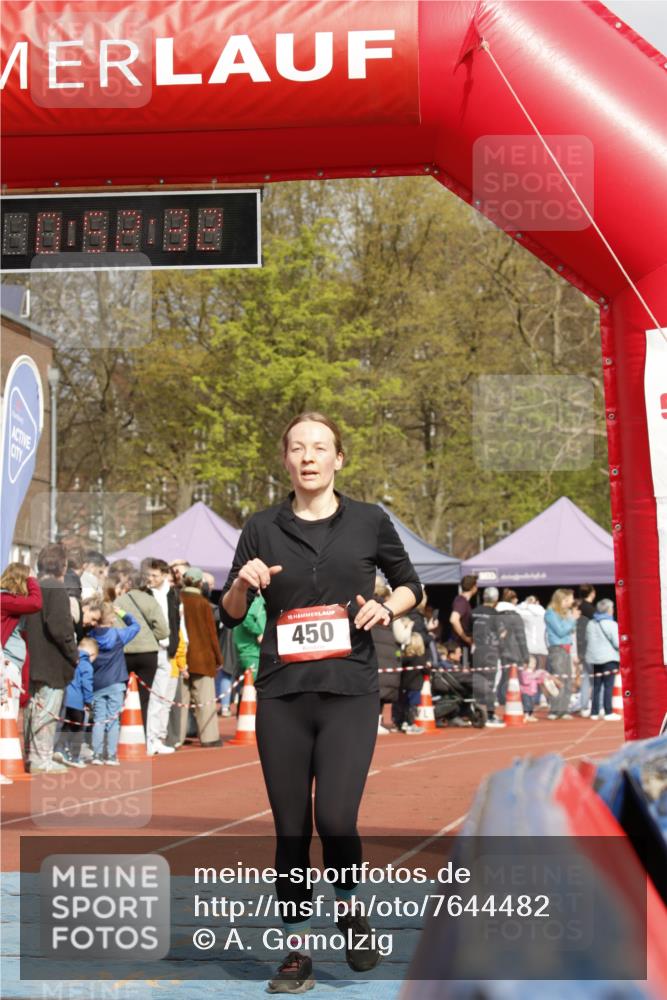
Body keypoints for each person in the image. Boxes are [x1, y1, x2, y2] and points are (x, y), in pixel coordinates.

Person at [220, 412, 422, 993]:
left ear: (339, 459)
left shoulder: (369, 521)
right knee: (290, 829)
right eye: (298, 448)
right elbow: (231, 611)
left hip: (349, 693)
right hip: (282, 693)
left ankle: (352, 909)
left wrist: (389, 607)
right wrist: (242, 582)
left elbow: (411, 582)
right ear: (285, 459)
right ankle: (296, 954)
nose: (309, 457)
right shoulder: (260, 527)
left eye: (321, 447)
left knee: (335, 817)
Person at [24, 544, 81, 773]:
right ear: (63, 565)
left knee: (33, 708)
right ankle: (41, 759)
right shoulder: (55, 589)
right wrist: (73, 653)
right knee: (47, 710)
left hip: (32, 658)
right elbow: (61, 629)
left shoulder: (32, 587)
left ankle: (31, 754)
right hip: (51, 661)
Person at [117, 570, 170, 738]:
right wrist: (151, 637)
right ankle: (142, 738)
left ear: (128, 584)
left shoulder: (119, 601)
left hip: (125, 652)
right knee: (144, 698)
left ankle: (120, 736)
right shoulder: (150, 601)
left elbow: (115, 627)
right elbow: (163, 631)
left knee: (122, 695)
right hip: (148, 653)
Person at [1, 563, 43, 768]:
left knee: (8, 714)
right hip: (6, 665)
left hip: (11, 664)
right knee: (5, 715)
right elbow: (35, 603)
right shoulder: (5, 599)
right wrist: (32, 580)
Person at [88, 604, 140, 765]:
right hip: (116, 682)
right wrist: (122, 613)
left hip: (97, 682)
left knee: (98, 720)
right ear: (111, 619)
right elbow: (136, 626)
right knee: (113, 720)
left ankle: (96, 754)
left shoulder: (90, 636)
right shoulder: (118, 635)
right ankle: (110, 755)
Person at [179, 567, 223, 747]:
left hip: (180, 657)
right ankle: (209, 737)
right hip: (202, 658)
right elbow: (211, 634)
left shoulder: (177, 599)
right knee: (205, 701)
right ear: (200, 583)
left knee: (180, 703)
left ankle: (176, 736)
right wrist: (218, 658)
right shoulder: (203, 603)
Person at [144, 558, 183, 754]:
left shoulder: (173, 594)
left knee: (164, 698)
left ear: (164, 575)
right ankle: (150, 739)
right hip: (152, 648)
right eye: (148, 575)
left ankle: (158, 737)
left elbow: (176, 621)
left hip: (169, 650)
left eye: (154, 575)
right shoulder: (145, 594)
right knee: (154, 697)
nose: (150, 579)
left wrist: (176, 645)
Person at [54, 637, 99, 767]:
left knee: (65, 726)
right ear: (91, 654)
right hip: (77, 702)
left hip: (64, 699)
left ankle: (59, 750)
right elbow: (87, 685)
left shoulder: (70, 659)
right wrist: (89, 701)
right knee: (78, 729)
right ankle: (74, 757)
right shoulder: (86, 666)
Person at [471, 587, 504, 727]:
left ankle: (476, 710)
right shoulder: (495, 614)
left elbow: (467, 629)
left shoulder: (474, 612)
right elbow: (502, 633)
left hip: (476, 650)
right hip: (490, 650)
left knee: (477, 680)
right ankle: (490, 714)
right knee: (490, 683)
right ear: (496, 599)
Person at [544, 588, 579, 720]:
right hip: (557, 649)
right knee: (559, 679)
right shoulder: (550, 613)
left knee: (567, 679)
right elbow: (560, 631)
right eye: (570, 598)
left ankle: (564, 710)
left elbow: (569, 631)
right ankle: (554, 710)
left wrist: (571, 620)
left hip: (566, 648)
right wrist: (572, 620)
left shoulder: (566, 613)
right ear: (562, 599)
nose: (572, 601)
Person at [585, 598, 621, 720]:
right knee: (608, 686)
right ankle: (608, 712)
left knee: (596, 686)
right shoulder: (611, 624)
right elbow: (617, 643)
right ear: (608, 610)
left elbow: (587, 639)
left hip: (594, 658)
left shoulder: (591, 623)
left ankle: (594, 712)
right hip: (608, 658)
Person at [373, 579, 400, 734]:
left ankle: (375, 722)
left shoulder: (362, 604)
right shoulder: (387, 607)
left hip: (374, 650)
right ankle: (379, 721)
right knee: (384, 687)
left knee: (375, 687)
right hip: (387, 651)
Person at [495, 589, 529, 709]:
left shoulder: (496, 615)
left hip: (500, 651)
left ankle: (501, 699)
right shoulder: (515, 616)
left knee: (504, 676)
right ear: (513, 600)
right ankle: (512, 701)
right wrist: (526, 656)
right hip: (515, 651)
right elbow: (521, 637)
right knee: (515, 679)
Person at [576, 584, 597, 717]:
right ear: (592, 593)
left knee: (586, 678)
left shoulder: (578, 608)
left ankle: (584, 705)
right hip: (591, 647)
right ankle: (595, 706)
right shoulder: (591, 611)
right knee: (597, 679)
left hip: (581, 647)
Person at [449, 574, 477, 663]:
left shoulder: (462, 601)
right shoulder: (461, 601)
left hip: (463, 646)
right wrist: (465, 637)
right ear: (473, 587)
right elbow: (453, 619)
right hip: (461, 647)